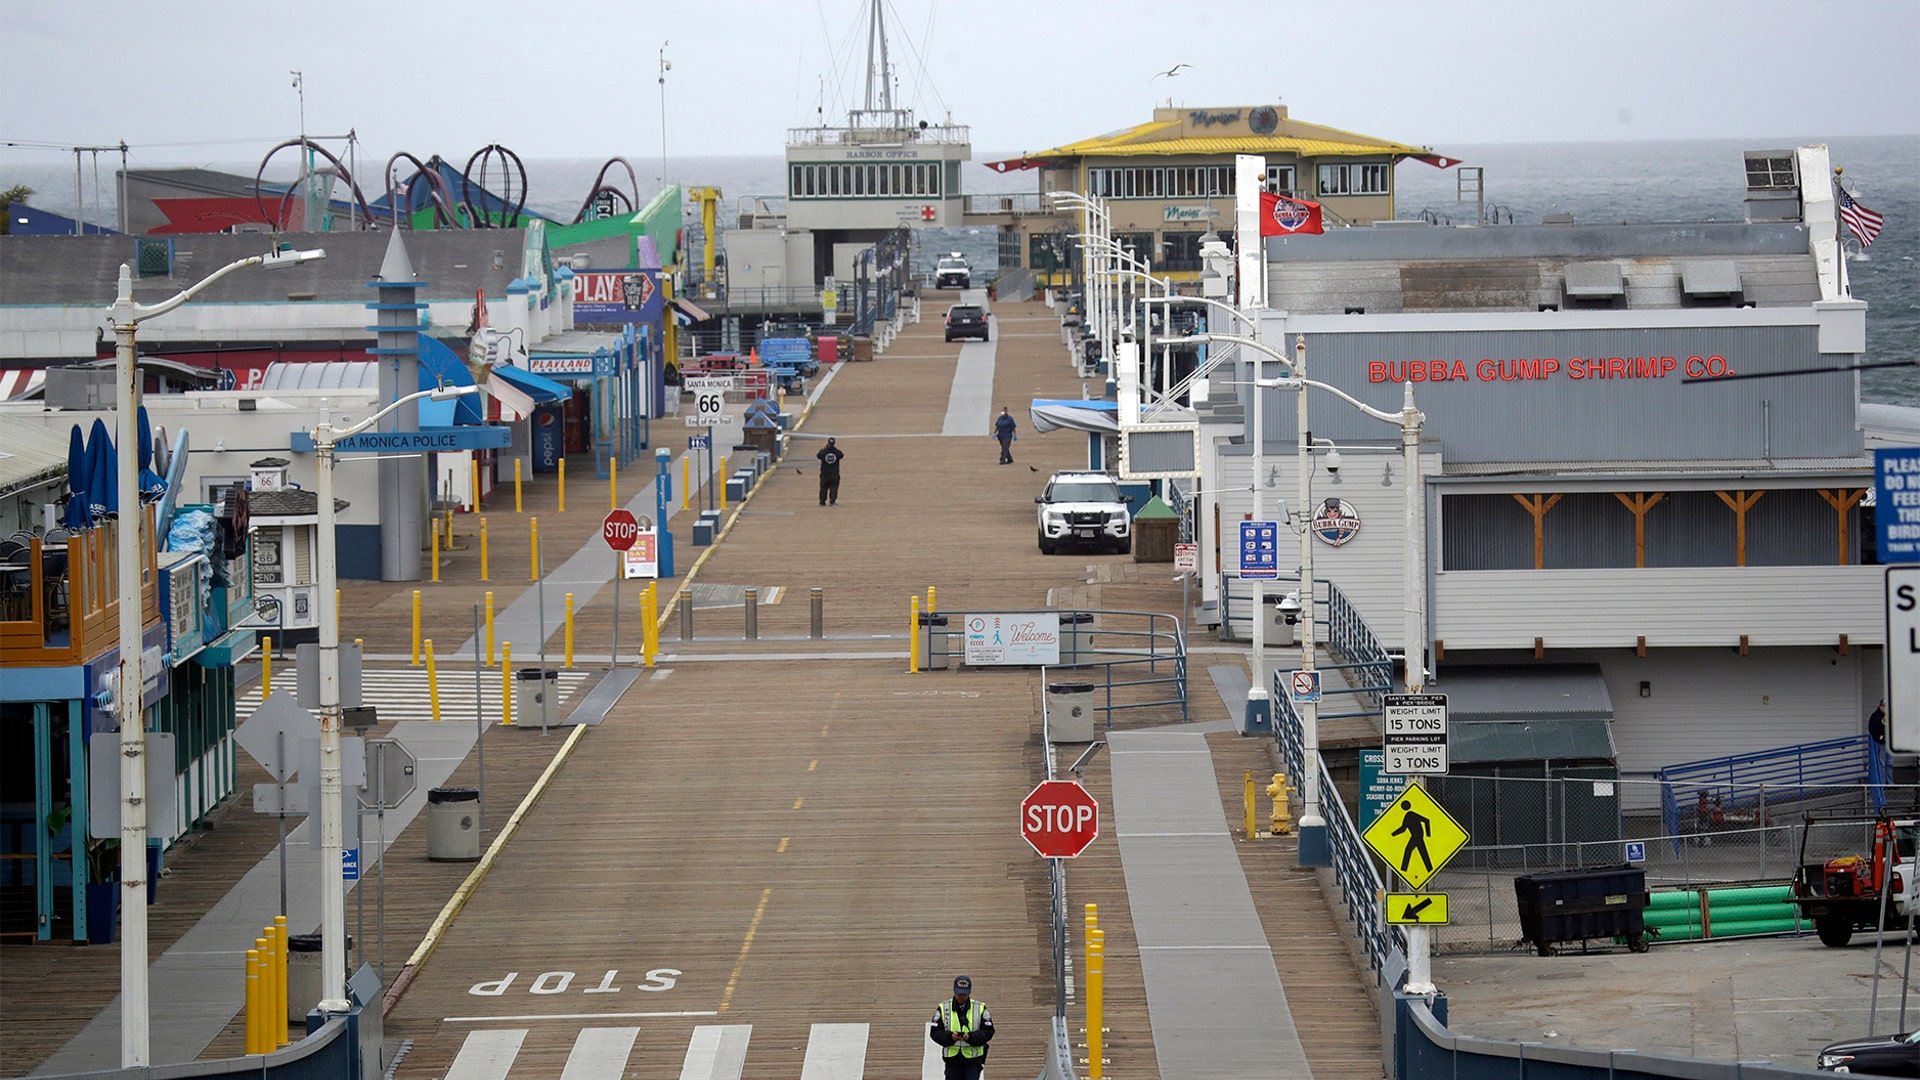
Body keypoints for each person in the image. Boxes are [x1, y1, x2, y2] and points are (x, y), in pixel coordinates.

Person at [929, 975, 993, 1079]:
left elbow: (988, 1031)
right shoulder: (943, 1008)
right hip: (952, 1059)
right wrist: (950, 1037)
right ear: (954, 991)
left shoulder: (980, 1008)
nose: (961, 997)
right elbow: (935, 1032)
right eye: (959, 994)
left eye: (964, 994)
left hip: (973, 1059)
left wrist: (970, 1037)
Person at [816, 437, 844, 506]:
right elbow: (841, 455)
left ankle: (822, 501)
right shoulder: (836, 452)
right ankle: (832, 501)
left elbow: (818, 455)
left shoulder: (824, 452)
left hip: (825, 473)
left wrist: (823, 449)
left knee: (823, 487)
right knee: (834, 487)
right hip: (834, 473)